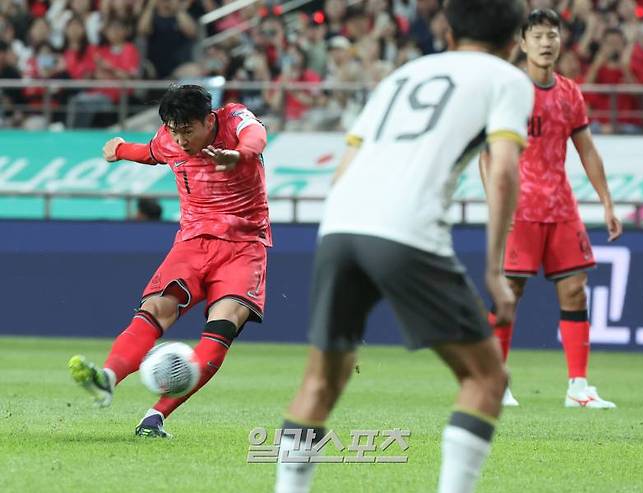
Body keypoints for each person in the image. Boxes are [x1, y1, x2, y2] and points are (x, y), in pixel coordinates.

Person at [274, 1, 532, 492]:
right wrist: (496, 270)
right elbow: (502, 171)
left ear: (448, 32)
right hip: (407, 229)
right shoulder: (507, 80)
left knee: (320, 383)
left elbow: (346, 164)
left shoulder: (404, 74)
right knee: (486, 380)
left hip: (340, 223)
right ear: (515, 42)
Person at [68, 85, 270, 438]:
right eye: (174, 130)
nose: (180, 139)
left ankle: (155, 416)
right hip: (191, 244)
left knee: (223, 325)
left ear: (208, 120)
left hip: (244, 247)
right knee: (156, 309)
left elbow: (256, 135)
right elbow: (150, 152)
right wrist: (119, 149)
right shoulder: (169, 139)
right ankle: (107, 378)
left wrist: (239, 156)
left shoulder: (234, 118)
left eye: (187, 130)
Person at [481, 9, 623, 409]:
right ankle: (496, 382)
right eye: (538, 35)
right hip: (518, 208)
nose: (546, 43)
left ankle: (579, 387)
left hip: (561, 207)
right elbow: (487, 154)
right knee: (510, 293)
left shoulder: (569, 93)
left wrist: (607, 202)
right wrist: (497, 203)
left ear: (560, 42)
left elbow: (587, 150)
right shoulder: (509, 90)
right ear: (523, 43)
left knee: (575, 292)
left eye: (552, 35)